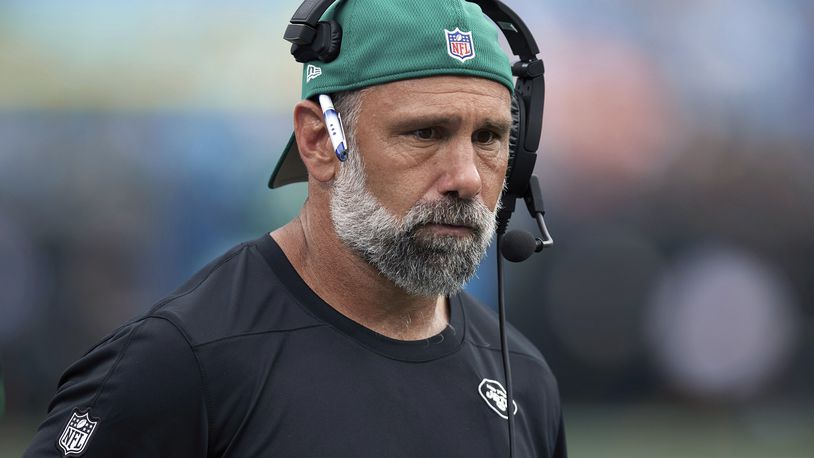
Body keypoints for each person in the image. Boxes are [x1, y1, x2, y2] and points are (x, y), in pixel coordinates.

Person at [25, 0, 565, 456]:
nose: (467, 178)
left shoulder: (524, 375)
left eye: (490, 137)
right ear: (319, 142)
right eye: (424, 132)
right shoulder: (179, 361)